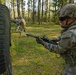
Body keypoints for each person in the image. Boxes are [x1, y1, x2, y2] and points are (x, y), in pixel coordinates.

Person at [36, 4, 76, 75]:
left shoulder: (70, 33)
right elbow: (63, 37)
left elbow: (58, 49)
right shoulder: (72, 29)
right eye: (60, 19)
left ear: (73, 18)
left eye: (62, 19)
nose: (60, 21)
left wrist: (44, 43)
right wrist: (53, 40)